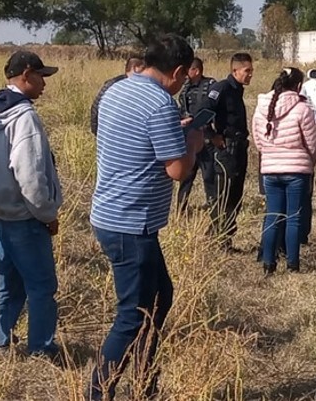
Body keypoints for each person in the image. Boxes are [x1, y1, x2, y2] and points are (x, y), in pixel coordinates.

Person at [89, 34, 205, 400]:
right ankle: (98, 392)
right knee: (132, 316)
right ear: (179, 71)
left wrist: (175, 132)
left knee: (161, 296)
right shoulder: (160, 104)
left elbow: (137, 141)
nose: (183, 83)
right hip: (131, 223)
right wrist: (193, 142)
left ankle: (145, 384)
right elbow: (177, 171)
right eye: (184, 77)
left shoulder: (118, 90)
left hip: (111, 214)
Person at [0, 50, 63, 359]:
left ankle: (1, 341)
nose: (45, 84)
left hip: (2, 210)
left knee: (7, 282)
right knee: (42, 286)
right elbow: (29, 174)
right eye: (42, 76)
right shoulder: (25, 117)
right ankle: (41, 347)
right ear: (26, 74)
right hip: (26, 215)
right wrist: (47, 213)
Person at [253, 68, 316, 274]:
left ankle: (268, 263)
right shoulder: (302, 108)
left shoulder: (261, 107)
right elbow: (313, 143)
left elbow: (258, 142)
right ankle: (292, 264)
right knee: (294, 217)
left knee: (272, 216)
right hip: (296, 171)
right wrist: (309, 162)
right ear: (299, 86)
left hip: (270, 170)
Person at [205, 52, 254, 246]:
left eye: (251, 71)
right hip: (227, 150)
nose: (250, 75)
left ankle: (225, 237)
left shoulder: (237, 90)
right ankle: (217, 240)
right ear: (235, 70)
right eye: (247, 71)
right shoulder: (222, 88)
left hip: (239, 148)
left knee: (235, 196)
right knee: (223, 196)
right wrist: (212, 135)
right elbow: (203, 112)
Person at [177, 57, 215, 212]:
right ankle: (180, 209)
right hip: (189, 136)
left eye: (189, 70)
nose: (186, 74)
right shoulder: (185, 87)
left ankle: (213, 205)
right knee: (186, 176)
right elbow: (181, 107)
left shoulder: (211, 85)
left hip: (206, 136)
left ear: (196, 71)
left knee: (209, 176)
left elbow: (215, 110)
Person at [89, 55, 146, 136]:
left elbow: (95, 107)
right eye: (144, 69)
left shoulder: (112, 83)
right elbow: (96, 108)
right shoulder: (119, 85)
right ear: (135, 68)